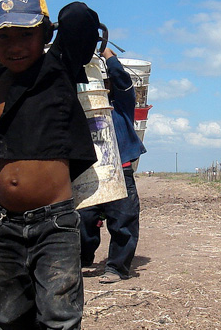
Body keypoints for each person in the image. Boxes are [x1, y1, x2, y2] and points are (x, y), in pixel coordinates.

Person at [0, 0, 99, 329]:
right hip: (3, 225)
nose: (14, 46)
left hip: (54, 224)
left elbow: (79, 17)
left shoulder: (58, 67)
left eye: (25, 34)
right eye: (3, 37)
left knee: (59, 317)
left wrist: (51, 25)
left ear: (45, 34)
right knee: (9, 317)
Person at [79, 47, 146, 283]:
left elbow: (122, 80)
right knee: (83, 220)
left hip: (120, 170)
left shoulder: (122, 106)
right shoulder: (82, 108)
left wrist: (108, 56)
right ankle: (82, 259)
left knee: (123, 221)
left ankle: (117, 268)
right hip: (90, 173)